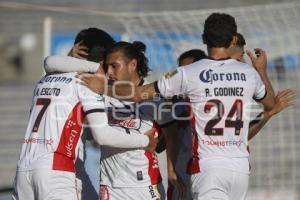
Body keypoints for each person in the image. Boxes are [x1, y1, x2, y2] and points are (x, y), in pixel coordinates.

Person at [76, 13, 277, 200]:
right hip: (240, 168)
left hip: (209, 167)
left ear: (204, 39)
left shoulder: (188, 72)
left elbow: (138, 94)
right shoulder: (248, 73)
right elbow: (270, 103)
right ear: (234, 39)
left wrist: (102, 87)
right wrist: (261, 70)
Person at [12, 29, 158, 200]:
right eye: (107, 64)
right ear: (102, 61)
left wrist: (70, 58)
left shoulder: (46, 78)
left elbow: (49, 61)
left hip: (24, 169)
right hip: (58, 169)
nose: (109, 71)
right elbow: (102, 136)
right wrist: (146, 140)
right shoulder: (87, 83)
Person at [44, 41, 181, 200]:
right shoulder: (101, 91)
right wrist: (73, 57)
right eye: (107, 66)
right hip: (110, 188)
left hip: (145, 186)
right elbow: (51, 63)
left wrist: (171, 169)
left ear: (132, 65)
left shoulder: (152, 97)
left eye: (114, 66)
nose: (109, 72)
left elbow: (171, 137)